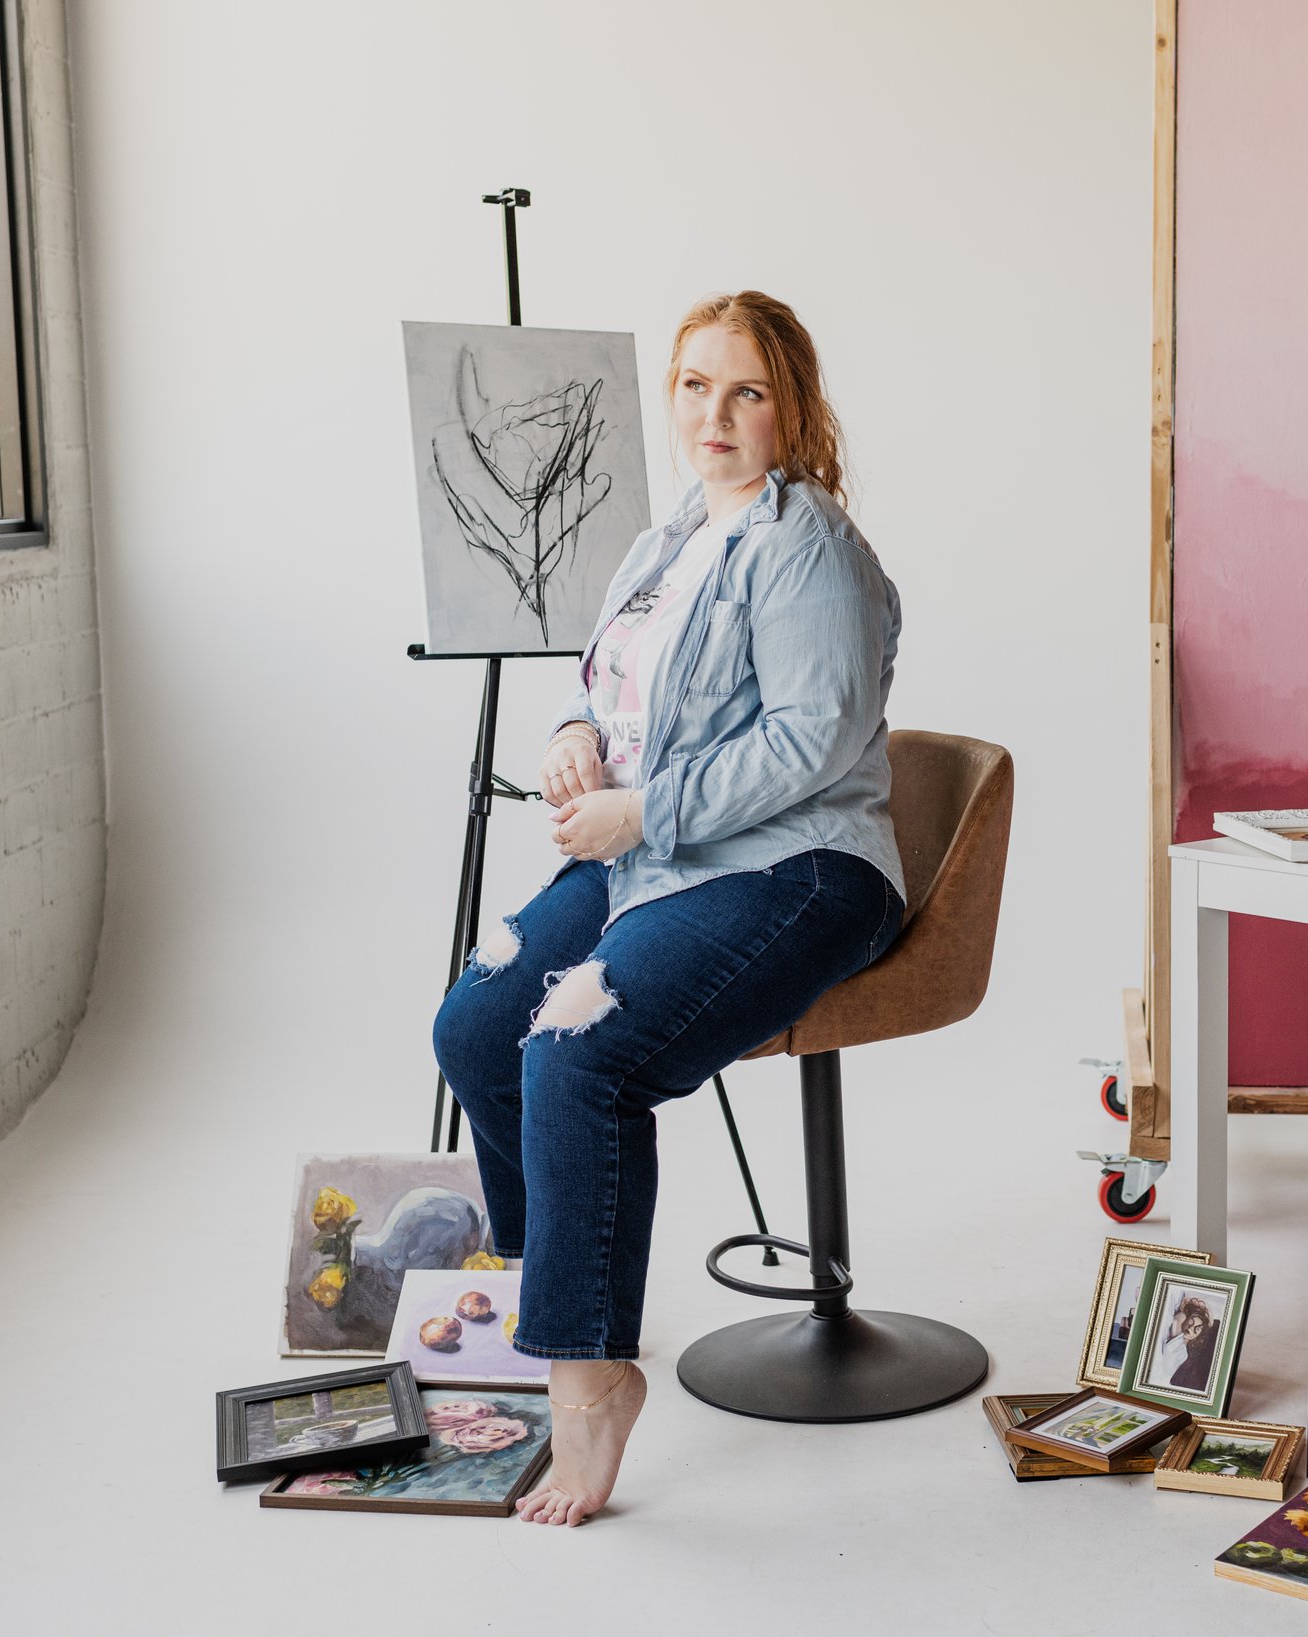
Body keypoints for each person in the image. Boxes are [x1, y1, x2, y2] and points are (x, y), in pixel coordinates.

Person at [430, 292, 904, 1527]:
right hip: (658, 852)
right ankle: (561, 1298)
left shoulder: (812, 548)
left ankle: (588, 1377)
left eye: (745, 390)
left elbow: (815, 738)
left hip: (795, 867)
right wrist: (573, 737)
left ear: (790, 406)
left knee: (574, 1047)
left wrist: (640, 813)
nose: (715, 413)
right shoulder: (669, 537)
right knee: (476, 1026)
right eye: (695, 385)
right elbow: (602, 684)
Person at [1154, 1293, 1220, 1391]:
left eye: (1196, 1329)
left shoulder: (1187, 1351)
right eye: (1190, 1322)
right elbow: (1177, 1320)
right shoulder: (1179, 1335)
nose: (1190, 1328)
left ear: (1197, 1336)